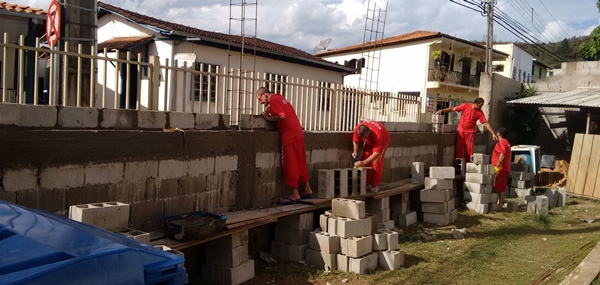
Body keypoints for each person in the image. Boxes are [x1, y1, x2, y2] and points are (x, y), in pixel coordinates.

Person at [256, 87, 313, 205]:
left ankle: (295, 193)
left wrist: (268, 118)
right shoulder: (279, 98)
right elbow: (277, 109)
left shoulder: (274, 100)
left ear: (265, 94)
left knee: (290, 163)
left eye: (259, 98)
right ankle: (307, 189)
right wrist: (267, 111)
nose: (260, 102)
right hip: (298, 133)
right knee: (300, 161)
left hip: (289, 135)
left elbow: (282, 116)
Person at [436, 98, 498, 162]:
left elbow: (486, 123)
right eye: (480, 105)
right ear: (476, 103)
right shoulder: (465, 106)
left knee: (469, 152)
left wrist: (493, 133)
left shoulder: (480, 112)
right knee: (459, 150)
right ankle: (458, 168)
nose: (481, 107)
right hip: (461, 131)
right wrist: (442, 110)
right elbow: (453, 109)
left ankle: (467, 168)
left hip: (471, 133)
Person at [352, 121, 391, 193]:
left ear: (369, 132)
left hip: (383, 141)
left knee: (376, 162)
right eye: (362, 138)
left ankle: (375, 185)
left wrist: (362, 163)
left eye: (364, 137)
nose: (363, 139)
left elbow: (376, 154)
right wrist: (355, 151)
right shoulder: (358, 128)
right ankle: (364, 182)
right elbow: (355, 141)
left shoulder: (377, 135)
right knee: (365, 157)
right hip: (370, 142)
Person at [491, 127, 511, 210]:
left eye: (497, 132)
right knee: (499, 186)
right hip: (503, 168)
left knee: (500, 187)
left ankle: (499, 206)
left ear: (499, 133)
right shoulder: (506, 142)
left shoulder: (502, 143)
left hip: (501, 168)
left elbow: (502, 154)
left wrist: (497, 166)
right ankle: (499, 203)